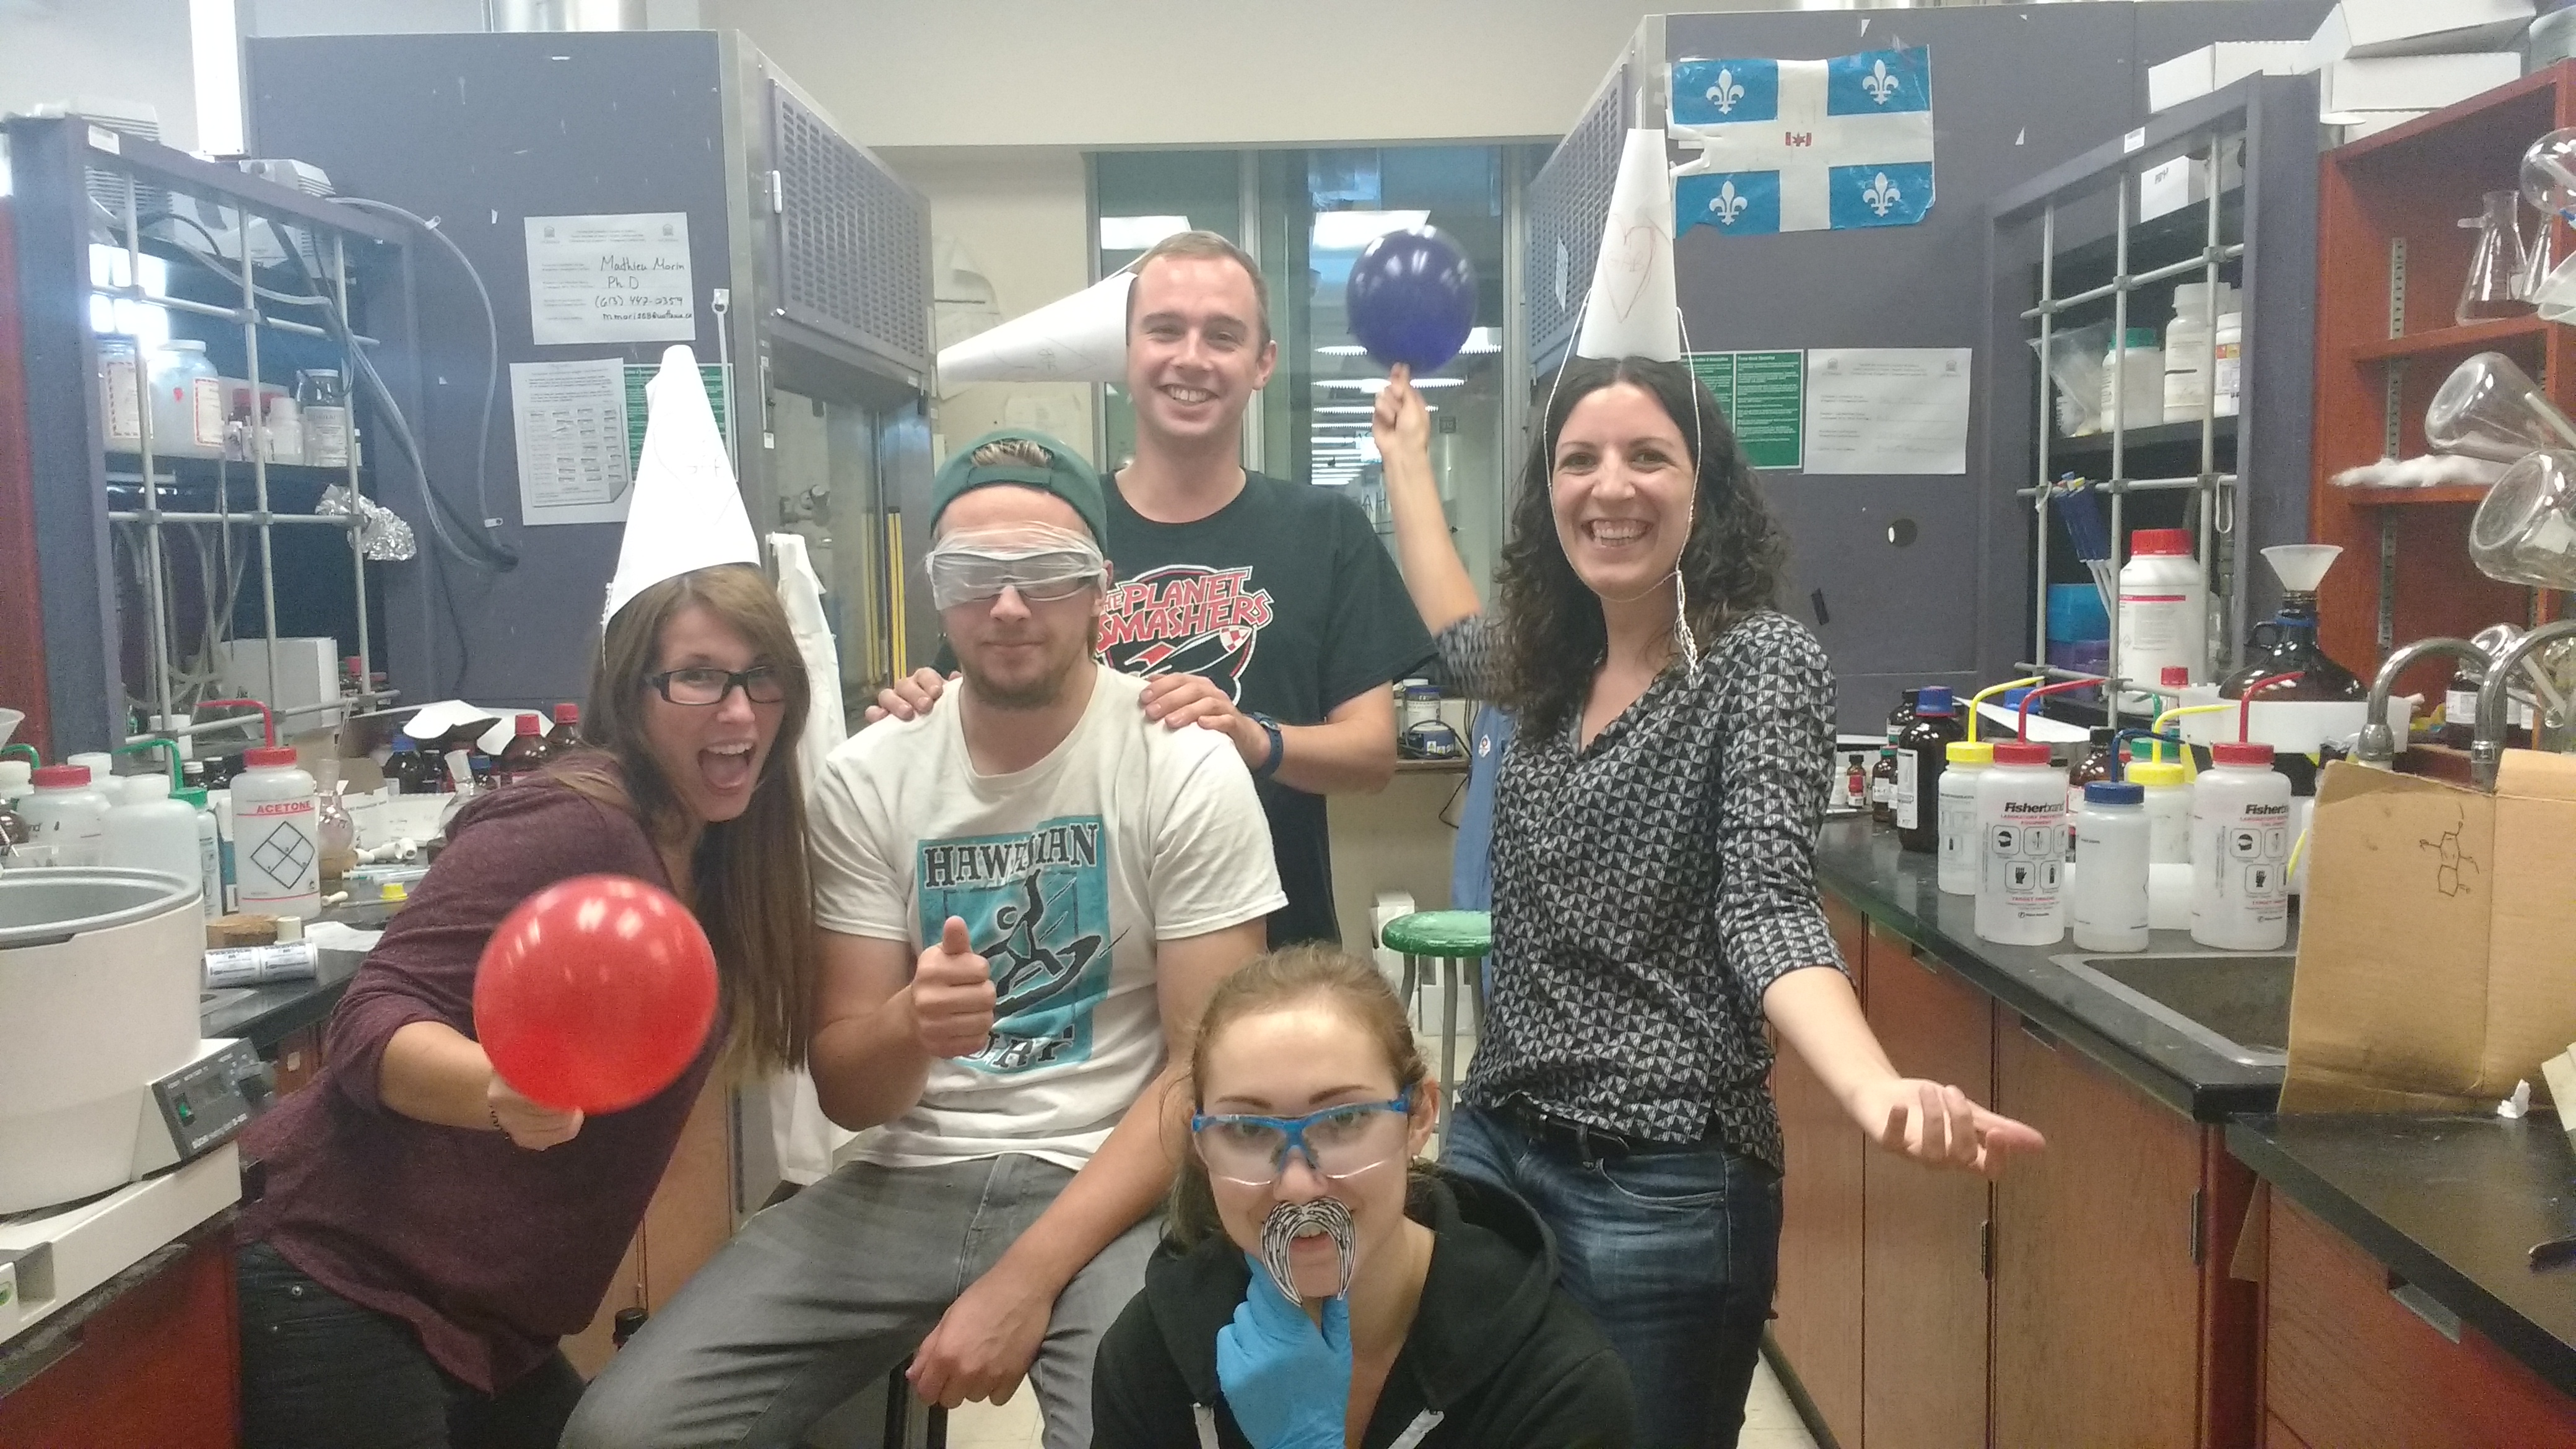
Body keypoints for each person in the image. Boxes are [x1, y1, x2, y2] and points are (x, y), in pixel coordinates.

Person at [563, 430, 1285, 1449]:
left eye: (1046, 571)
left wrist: (1022, 1279)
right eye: (974, 575)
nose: (1009, 605)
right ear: (936, 594)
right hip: (906, 1178)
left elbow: (1203, 1079)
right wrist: (910, 1024)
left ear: (1103, 591)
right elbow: (850, 1091)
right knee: (623, 1433)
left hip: (1113, 1180)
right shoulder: (872, 776)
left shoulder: (1183, 766)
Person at [1371, 357, 2045, 1448]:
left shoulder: (1757, 662)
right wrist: (1405, 458)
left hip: (1662, 1179)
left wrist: (1872, 1087)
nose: (1611, 486)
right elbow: (1455, 630)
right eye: (1579, 461)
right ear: (1549, 494)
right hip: (1498, 1139)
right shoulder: (1547, 661)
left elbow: (1766, 905)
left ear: (1705, 488)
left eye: (1649, 457)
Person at [232, 565, 819, 1449]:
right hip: (345, 1282)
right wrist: (497, 1088)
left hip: (488, 1330)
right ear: (632, 693)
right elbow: (371, 1016)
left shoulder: (724, 858)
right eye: (698, 676)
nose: (738, 711)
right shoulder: (575, 822)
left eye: (761, 675)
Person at [877, 230, 1435, 948]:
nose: (1191, 358)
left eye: (1222, 335)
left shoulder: (1325, 530)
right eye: (1164, 330)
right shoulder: (1054, 529)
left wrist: (1253, 738)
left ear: (1262, 363)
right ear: (1126, 352)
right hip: (1073, 955)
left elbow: (1371, 756)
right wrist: (922, 704)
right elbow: (972, 700)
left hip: (1275, 956)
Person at [1094, 945, 1635, 1448]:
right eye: (1247, 1129)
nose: (1297, 1186)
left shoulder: (1556, 1385)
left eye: (1344, 1120)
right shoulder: (1151, 1354)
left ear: (1419, 1117)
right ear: (1201, 1145)